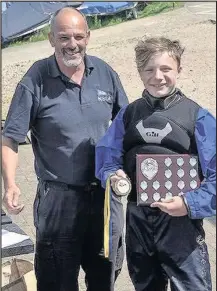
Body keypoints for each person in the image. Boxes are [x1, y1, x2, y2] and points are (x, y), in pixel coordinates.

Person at [2, 7, 129, 291]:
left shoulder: (105, 72)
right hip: (59, 200)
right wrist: (10, 184)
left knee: (104, 276)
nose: (72, 44)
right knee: (56, 281)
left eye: (78, 36)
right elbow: (10, 137)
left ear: (88, 37)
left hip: (104, 198)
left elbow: (128, 126)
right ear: (51, 39)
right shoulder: (36, 78)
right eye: (64, 37)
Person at [96, 37, 216, 291]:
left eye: (166, 69)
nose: (158, 77)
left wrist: (188, 203)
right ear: (139, 72)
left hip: (181, 225)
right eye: (149, 69)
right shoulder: (127, 115)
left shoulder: (198, 117)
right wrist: (113, 176)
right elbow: (107, 156)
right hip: (139, 220)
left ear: (179, 70)